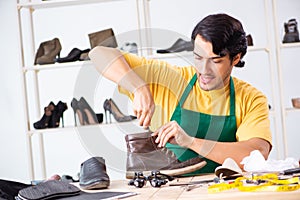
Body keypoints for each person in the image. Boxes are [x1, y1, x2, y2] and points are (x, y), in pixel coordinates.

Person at [89, 13, 272, 173]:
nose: (204, 70)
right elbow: (99, 53)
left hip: (224, 190)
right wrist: (138, 88)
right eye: (198, 58)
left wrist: (191, 142)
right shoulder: (170, 79)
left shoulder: (250, 98)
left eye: (215, 61)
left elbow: (257, 153)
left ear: (236, 58)